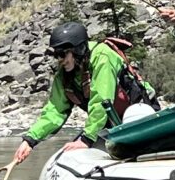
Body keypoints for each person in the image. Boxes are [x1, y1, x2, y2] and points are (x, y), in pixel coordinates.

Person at [12, 19, 127, 164]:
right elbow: (55, 111)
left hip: (136, 113)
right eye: (56, 54)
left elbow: (101, 100)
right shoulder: (64, 76)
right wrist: (30, 140)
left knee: (132, 114)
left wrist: (87, 139)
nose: (59, 59)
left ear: (78, 50)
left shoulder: (102, 57)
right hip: (109, 124)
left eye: (62, 54)